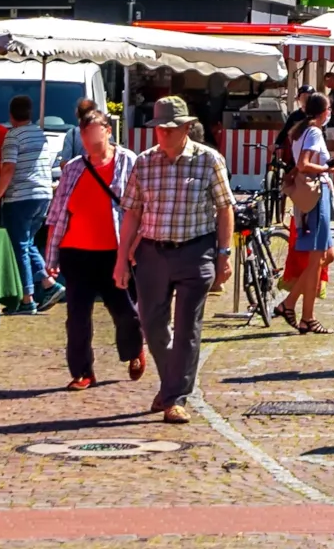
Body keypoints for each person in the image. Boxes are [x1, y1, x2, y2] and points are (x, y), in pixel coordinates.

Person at [113, 95, 236, 424]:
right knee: (152, 325)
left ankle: (175, 398)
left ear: (186, 128)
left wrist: (225, 254)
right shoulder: (144, 162)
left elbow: (225, 209)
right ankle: (171, 384)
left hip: (196, 251)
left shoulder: (208, 160)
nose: (163, 134)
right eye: (159, 129)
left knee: (187, 327)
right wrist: (121, 259)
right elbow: (132, 213)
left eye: (170, 129)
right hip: (152, 253)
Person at [51, 104, 145, 389]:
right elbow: (58, 213)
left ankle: (134, 349)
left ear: (107, 131)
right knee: (77, 316)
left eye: (94, 132)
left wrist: (135, 246)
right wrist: (52, 255)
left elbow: (142, 206)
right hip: (76, 252)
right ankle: (82, 372)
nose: (89, 139)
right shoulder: (74, 168)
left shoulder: (129, 162)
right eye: (84, 134)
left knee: (124, 311)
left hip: (114, 253)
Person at [0, 95, 62, 312]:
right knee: (28, 242)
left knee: (20, 247)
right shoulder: (39, 133)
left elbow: (8, 168)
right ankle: (48, 283)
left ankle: (27, 299)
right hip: (43, 195)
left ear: (11, 114)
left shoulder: (13, 136)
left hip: (20, 197)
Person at [277, 97, 334, 336]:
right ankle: (306, 317)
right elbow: (304, 164)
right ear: (324, 112)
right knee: (317, 258)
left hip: (314, 195)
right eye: (329, 109)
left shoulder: (301, 131)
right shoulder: (313, 132)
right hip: (314, 196)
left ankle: (290, 304)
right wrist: (328, 168)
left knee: (327, 255)